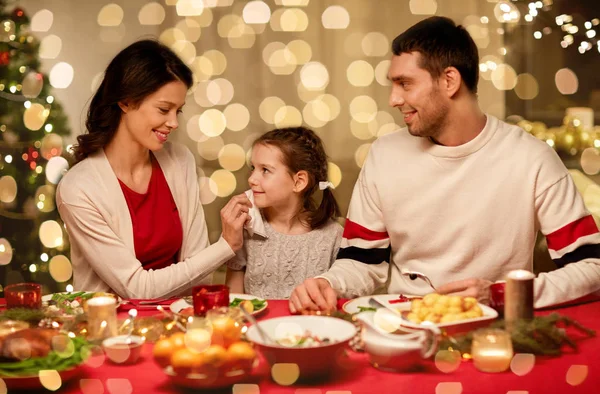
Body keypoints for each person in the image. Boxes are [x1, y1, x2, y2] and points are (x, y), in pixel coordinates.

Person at [289, 16, 600, 313]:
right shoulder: (384, 154)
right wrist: (328, 283)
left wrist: (501, 295)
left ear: (449, 80)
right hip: (405, 325)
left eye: (405, 83)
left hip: (493, 330)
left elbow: (592, 267)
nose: (393, 99)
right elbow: (361, 261)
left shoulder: (532, 159)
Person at [56, 39, 251, 299]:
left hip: (179, 323)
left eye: (178, 111)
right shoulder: (78, 189)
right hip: (112, 332)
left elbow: (199, 273)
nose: (173, 123)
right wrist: (225, 247)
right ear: (125, 102)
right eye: (163, 109)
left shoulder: (179, 160)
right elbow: (136, 289)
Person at [225, 127, 343, 299]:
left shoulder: (333, 236)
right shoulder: (245, 227)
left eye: (265, 170)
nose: (251, 179)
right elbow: (234, 299)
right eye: (253, 168)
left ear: (299, 182)